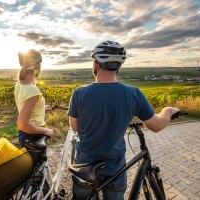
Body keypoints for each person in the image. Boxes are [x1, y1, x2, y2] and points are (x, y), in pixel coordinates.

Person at [68, 40, 179, 200]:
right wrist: (168, 111)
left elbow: (75, 127)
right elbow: (156, 125)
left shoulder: (79, 94)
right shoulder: (134, 94)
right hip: (115, 168)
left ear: (96, 64)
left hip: (84, 167)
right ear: (118, 67)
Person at [14, 49, 54, 147]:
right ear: (37, 66)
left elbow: (25, 107)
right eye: (40, 63)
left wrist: (42, 108)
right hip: (33, 136)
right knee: (39, 162)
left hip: (25, 135)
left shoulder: (19, 85)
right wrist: (46, 130)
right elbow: (22, 124)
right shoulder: (33, 90)